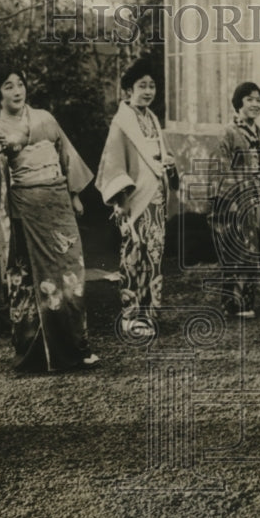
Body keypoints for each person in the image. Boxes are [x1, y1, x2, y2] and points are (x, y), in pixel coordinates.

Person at [0, 64, 99, 373]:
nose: (17, 90)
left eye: (19, 83)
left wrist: (74, 193)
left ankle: (78, 345)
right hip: (26, 206)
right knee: (33, 279)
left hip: (58, 199)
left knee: (72, 273)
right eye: (8, 86)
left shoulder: (45, 119)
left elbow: (65, 154)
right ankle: (35, 353)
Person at [95, 58, 176, 335]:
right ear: (128, 89)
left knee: (153, 254)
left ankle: (150, 313)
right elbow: (113, 162)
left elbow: (162, 153)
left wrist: (168, 164)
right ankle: (131, 316)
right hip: (132, 197)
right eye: (142, 86)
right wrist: (122, 200)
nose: (148, 91)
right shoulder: (122, 122)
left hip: (155, 195)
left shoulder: (151, 117)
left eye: (152, 86)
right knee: (133, 253)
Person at [209, 82, 260, 318]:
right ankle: (231, 304)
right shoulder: (228, 132)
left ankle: (246, 303)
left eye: (258, 100)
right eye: (249, 100)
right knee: (235, 249)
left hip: (255, 196)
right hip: (235, 198)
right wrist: (227, 202)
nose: (256, 104)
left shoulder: (258, 132)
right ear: (239, 103)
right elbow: (219, 167)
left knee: (253, 249)